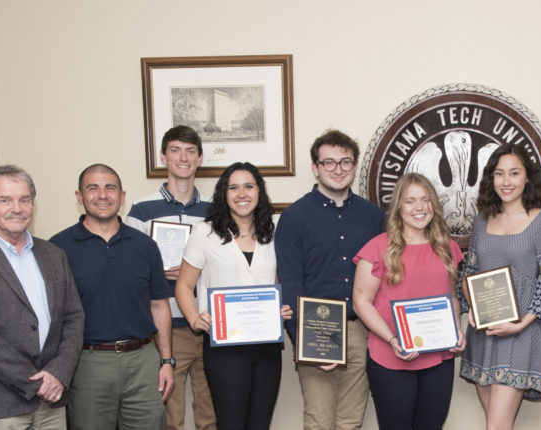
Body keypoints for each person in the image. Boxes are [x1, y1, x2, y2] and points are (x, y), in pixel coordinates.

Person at [0, 165, 85, 428]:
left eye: (24, 200)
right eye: (5, 200)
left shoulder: (54, 255)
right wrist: (37, 382)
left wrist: (58, 373)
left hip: (52, 401)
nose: (17, 208)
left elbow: (73, 318)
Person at [274, 129, 384, 430]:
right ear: (316, 168)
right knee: (319, 421)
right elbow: (290, 282)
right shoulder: (294, 217)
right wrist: (304, 342)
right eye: (329, 163)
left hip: (362, 331)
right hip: (315, 329)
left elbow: (385, 279)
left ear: (355, 165)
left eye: (345, 162)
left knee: (351, 421)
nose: (338, 169)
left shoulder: (374, 217)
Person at [50, 164, 174, 430]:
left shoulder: (146, 246)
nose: (102, 195)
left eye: (110, 188)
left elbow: (159, 305)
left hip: (143, 360)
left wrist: (166, 361)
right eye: (92, 188)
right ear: (79, 197)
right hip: (88, 363)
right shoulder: (58, 248)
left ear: (122, 196)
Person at [174, 162, 293, 430]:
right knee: (230, 423)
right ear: (224, 193)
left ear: (259, 192)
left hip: (266, 346)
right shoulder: (204, 232)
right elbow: (184, 285)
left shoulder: (273, 232)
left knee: (260, 423)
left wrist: (281, 309)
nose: (242, 194)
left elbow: (275, 283)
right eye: (234, 187)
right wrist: (194, 319)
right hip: (224, 347)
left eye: (249, 186)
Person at [459, 143, 541, 430]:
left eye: (514, 173)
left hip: (521, 333)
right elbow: (470, 271)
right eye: (499, 174)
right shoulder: (482, 221)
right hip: (484, 333)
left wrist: (520, 324)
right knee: (496, 425)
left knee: (496, 426)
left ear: (527, 178)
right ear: (491, 179)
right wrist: (472, 308)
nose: (506, 181)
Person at [352, 173, 465, 430]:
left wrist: (456, 328)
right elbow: (362, 302)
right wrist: (393, 340)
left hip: (438, 356)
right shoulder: (377, 247)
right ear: (398, 208)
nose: (419, 208)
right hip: (391, 357)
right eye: (410, 201)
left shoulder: (446, 247)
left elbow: (451, 297)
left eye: (425, 200)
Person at [126, 125, 216, 430]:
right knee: (170, 418)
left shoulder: (215, 211)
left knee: (211, 415)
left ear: (200, 158)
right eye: (175, 150)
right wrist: (157, 271)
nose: (183, 157)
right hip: (166, 330)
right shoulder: (140, 210)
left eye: (191, 151)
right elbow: (129, 271)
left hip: (208, 325)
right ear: (163, 156)